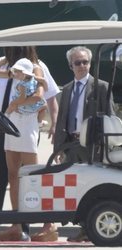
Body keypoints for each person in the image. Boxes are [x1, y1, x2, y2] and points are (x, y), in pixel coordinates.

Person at [0, 46, 60, 241]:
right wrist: (3, 61)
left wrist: (54, 122)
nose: (11, 51)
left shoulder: (36, 67)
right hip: (1, 126)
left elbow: (47, 96)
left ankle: (35, 224)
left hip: (25, 128)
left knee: (30, 177)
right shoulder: (3, 67)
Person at [54, 46, 115, 242]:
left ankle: (88, 229)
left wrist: (110, 144)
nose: (82, 66)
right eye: (77, 63)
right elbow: (61, 119)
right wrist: (58, 148)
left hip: (92, 145)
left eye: (85, 62)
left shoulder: (102, 87)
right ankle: (82, 227)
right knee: (73, 188)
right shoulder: (67, 89)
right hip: (70, 144)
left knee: (93, 188)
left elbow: (111, 117)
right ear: (71, 66)